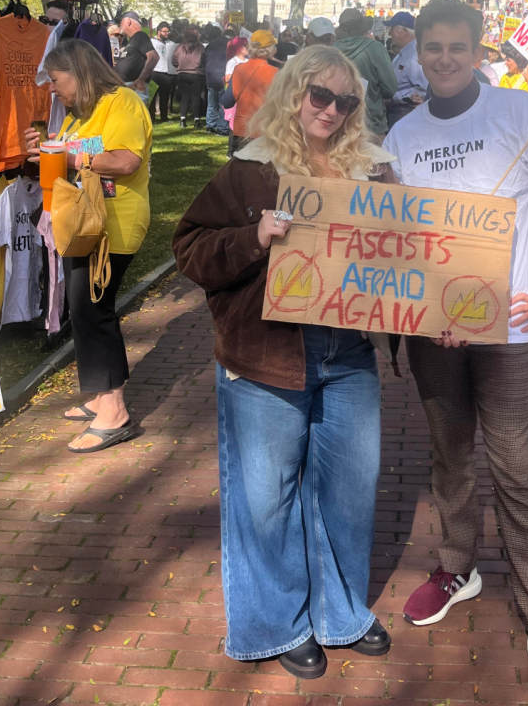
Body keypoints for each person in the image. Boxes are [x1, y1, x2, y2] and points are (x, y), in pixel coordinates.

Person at [172, 47, 394, 677]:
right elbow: (189, 247)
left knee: (350, 491)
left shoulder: (374, 170)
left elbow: (407, 258)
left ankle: (340, 612)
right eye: (318, 95)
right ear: (294, 93)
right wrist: (254, 237)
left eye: (344, 101)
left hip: (348, 350)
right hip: (265, 351)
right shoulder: (251, 168)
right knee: (265, 498)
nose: (330, 110)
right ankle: (276, 623)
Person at [384, 0, 528, 706]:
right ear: (418, 54)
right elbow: (397, 236)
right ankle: (456, 567)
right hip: (435, 332)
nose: (443, 58)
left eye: (456, 46)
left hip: (508, 333)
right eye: (431, 47)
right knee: (449, 458)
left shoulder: (519, 114)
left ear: (477, 50)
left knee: (517, 472)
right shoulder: (402, 135)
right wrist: (414, 310)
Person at [24, 40, 152, 452]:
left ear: (78, 72)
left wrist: (68, 157)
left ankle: (114, 413)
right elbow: (81, 151)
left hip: (112, 225)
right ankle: (101, 396)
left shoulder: (122, 102)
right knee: (84, 308)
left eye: (55, 79)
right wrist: (46, 148)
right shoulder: (82, 114)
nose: (51, 88)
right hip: (85, 224)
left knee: (93, 309)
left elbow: (125, 160)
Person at [333, 8, 398, 141]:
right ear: (362, 28)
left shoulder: (331, 51)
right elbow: (390, 89)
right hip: (372, 123)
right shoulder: (375, 48)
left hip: (339, 122)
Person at [227, 30, 278, 154]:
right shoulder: (277, 73)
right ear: (270, 49)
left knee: (239, 165)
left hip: (241, 128)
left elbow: (227, 101)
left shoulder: (238, 69)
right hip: (264, 130)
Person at [385, 11, 427, 127]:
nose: (390, 33)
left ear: (404, 31)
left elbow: (422, 90)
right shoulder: (404, 53)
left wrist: (393, 98)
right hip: (398, 113)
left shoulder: (415, 56)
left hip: (405, 113)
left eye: (392, 29)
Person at [115, 12, 158, 104]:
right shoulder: (133, 40)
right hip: (127, 89)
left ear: (128, 21)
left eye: (121, 21)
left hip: (135, 90)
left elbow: (154, 56)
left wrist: (141, 79)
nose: (119, 25)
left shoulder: (140, 36)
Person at [172, 27, 206, 129]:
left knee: (185, 98)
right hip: (197, 75)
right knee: (196, 98)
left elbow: (173, 60)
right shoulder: (200, 47)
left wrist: (180, 67)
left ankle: (182, 120)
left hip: (182, 74)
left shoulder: (180, 47)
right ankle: (197, 121)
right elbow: (205, 60)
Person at [203, 25, 230, 136]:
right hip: (224, 77)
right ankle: (222, 127)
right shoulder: (228, 45)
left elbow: (203, 60)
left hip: (210, 77)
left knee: (211, 103)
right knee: (223, 104)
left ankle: (210, 125)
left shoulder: (210, 46)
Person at [150, 22, 177, 124]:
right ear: (158, 32)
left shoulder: (171, 43)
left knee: (165, 96)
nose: (166, 34)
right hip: (155, 72)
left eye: (168, 32)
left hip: (167, 73)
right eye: (164, 32)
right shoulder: (152, 42)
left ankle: (164, 117)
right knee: (153, 97)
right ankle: (152, 117)